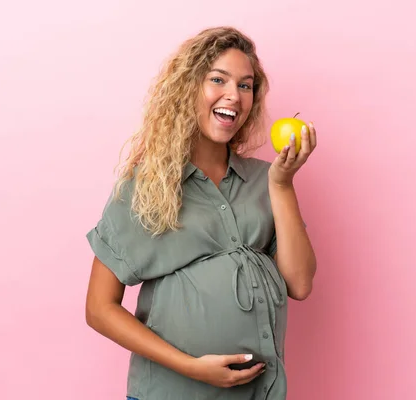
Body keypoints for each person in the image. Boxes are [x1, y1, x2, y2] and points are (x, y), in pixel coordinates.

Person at [84, 26, 317, 400]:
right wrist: (190, 367)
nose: (234, 96)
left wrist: (282, 184)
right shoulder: (147, 186)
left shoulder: (265, 179)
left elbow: (300, 284)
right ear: (188, 88)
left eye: (246, 85)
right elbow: (98, 308)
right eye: (218, 80)